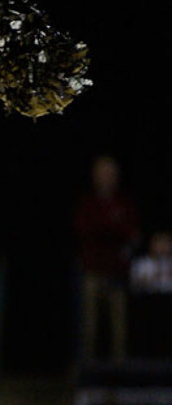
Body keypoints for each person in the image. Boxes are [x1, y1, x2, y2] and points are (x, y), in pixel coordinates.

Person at [73, 154, 140, 364]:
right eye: (102, 173)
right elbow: (85, 230)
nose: (107, 177)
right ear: (94, 176)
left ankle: (119, 370)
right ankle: (87, 369)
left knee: (119, 325)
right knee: (89, 324)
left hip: (117, 274)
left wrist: (109, 230)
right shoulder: (87, 204)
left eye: (111, 173)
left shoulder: (125, 204)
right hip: (92, 271)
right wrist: (112, 228)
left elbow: (133, 235)